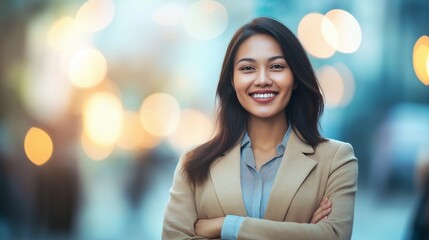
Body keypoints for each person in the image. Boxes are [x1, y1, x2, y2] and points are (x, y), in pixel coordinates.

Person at [162, 17, 358, 240]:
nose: (262, 79)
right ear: (232, 81)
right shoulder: (194, 162)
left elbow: (333, 236)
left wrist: (228, 226)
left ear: (294, 77)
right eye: (247, 68)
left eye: (276, 67)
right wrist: (303, 233)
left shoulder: (336, 160)